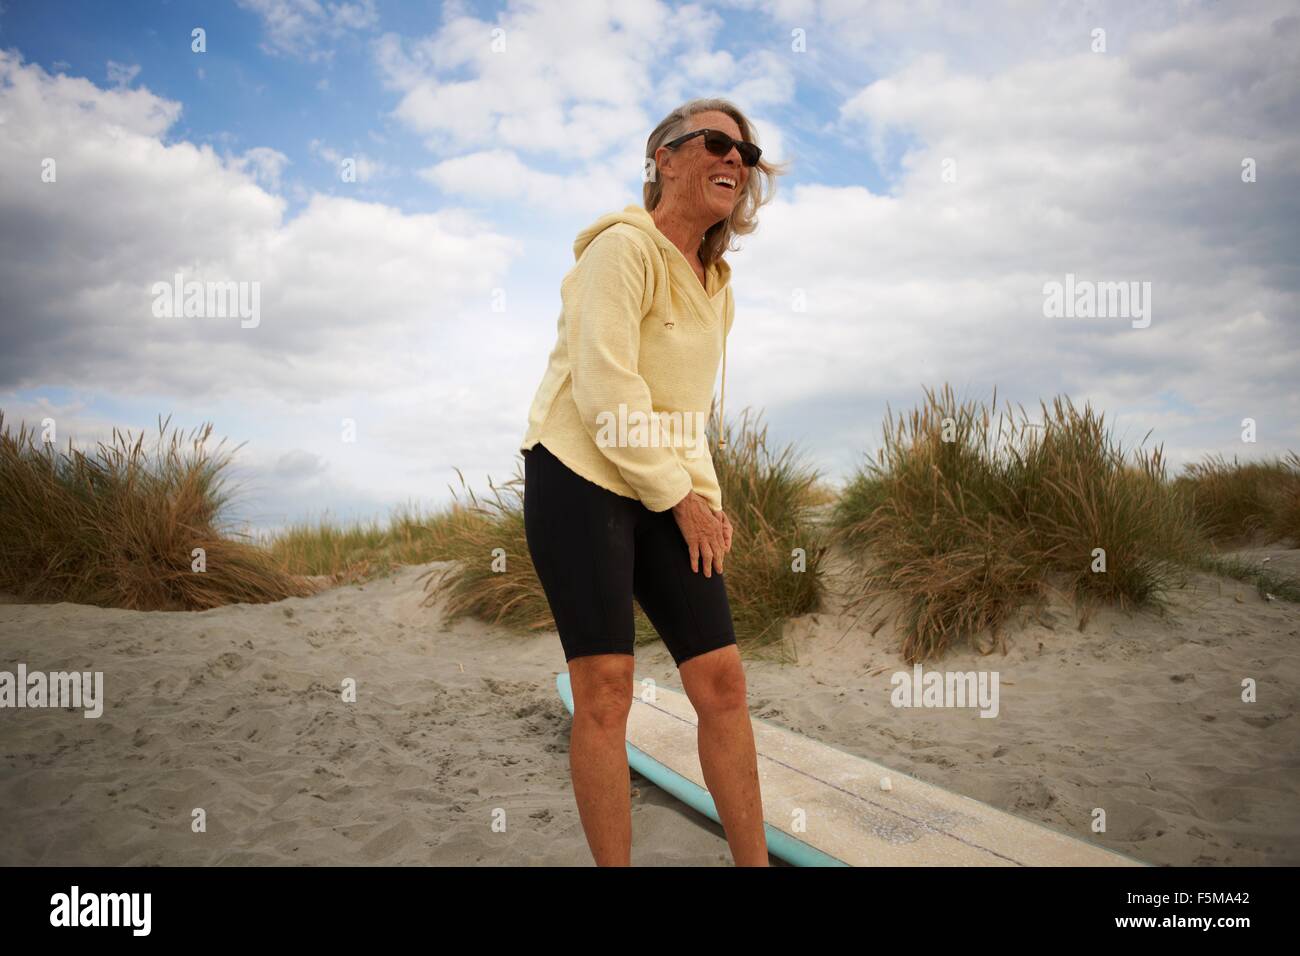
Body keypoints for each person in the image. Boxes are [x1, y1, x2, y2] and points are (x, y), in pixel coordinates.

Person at [518, 97, 784, 865]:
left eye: (748, 152)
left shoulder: (716, 285)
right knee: (605, 687)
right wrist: (681, 499)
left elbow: (682, 415)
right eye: (716, 142)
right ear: (665, 158)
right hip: (579, 475)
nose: (736, 159)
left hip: (660, 483)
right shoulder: (619, 251)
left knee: (723, 683)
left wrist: (708, 504)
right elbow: (607, 392)